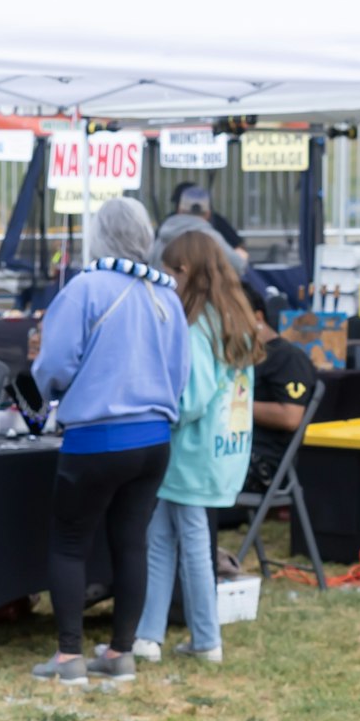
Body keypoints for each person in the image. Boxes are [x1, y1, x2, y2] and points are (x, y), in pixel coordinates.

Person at [29, 196, 190, 685]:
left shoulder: (86, 288)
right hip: (155, 438)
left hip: (97, 437)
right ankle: (121, 652)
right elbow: (181, 372)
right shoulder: (167, 296)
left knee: (70, 544)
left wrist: (44, 392)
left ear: (98, 236)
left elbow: (54, 365)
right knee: (131, 544)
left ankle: (69, 656)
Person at [134, 230, 259, 668]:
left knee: (190, 546)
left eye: (168, 272)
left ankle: (206, 638)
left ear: (184, 272)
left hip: (189, 453)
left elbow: (193, 398)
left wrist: (159, 410)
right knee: (162, 539)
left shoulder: (195, 327)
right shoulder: (235, 320)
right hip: (221, 453)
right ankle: (148, 636)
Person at [245, 283, 317, 491]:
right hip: (234, 451)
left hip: (262, 462)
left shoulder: (288, 358)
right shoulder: (239, 355)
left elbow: (290, 417)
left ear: (258, 317)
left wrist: (233, 405)